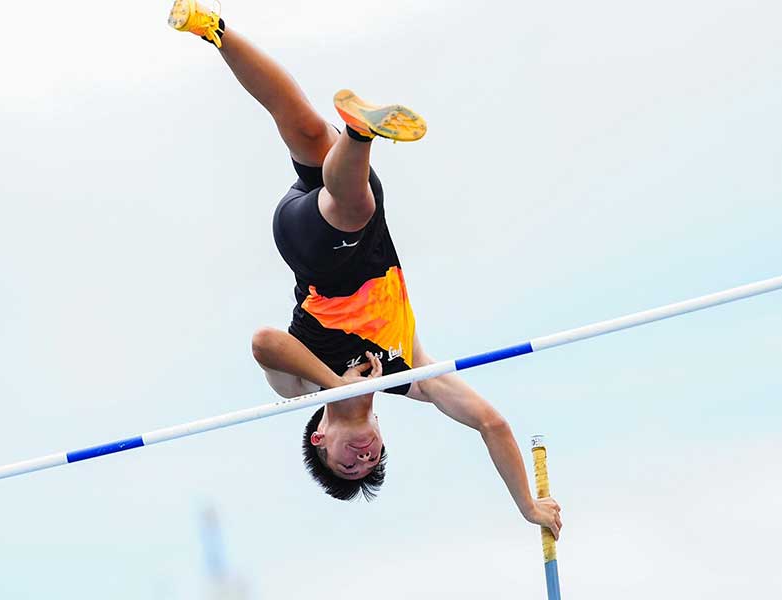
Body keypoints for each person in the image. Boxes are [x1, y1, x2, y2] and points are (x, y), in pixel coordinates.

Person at [168, 0, 562, 538]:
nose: (363, 457)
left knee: (351, 208)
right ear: (382, 439)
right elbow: (491, 423)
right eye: (372, 462)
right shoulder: (412, 373)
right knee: (304, 126)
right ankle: (213, 28)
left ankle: (359, 135)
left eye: (347, 463)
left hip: (317, 250)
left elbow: (264, 342)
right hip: (350, 211)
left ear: (319, 440)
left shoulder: (301, 391)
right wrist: (527, 507)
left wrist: (334, 387)